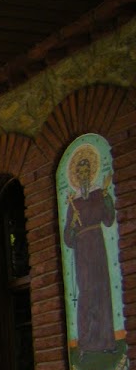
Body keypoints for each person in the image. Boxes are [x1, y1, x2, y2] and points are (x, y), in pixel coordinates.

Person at [63, 142, 118, 355]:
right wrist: (72, 226)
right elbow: (68, 239)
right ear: (76, 176)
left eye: (87, 171)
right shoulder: (73, 203)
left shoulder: (97, 195)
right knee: (86, 293)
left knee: (102, 290)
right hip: (82, 252)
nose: (84, 175)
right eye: (80, 172)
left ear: (91, 173)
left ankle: (107, 342)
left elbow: (109, 219)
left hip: (97, 246)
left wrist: (106, 196)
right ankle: (85, 343)